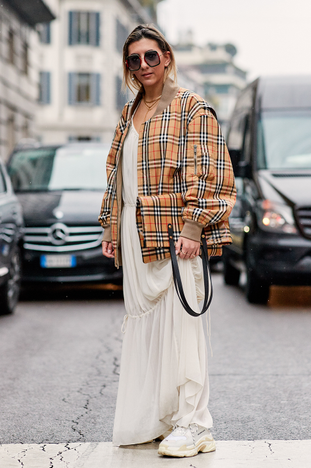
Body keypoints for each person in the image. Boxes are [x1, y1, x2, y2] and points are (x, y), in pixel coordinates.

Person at [99, 24, 236, 458]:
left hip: (176, 235)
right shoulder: (129, 112)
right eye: (134, 60)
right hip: (134, 233)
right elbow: (116, 174)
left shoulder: (191, 107)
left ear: (167, 56)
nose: (143, 66)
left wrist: (194, 227)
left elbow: (212, 171)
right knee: (148, 324)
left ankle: (195, 424)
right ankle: (162, 418)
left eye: (151, 57)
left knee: (182, 327)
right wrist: (109, 226)